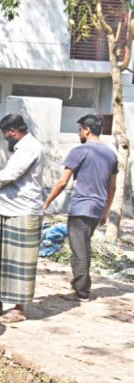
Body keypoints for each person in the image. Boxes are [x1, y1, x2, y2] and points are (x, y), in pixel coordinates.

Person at [44, 114, 118, 300]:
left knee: (79, 251)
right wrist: (106, 211)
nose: (79, 133)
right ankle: (80, 284)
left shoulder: (79, 151)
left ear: (86, 129)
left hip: (82, 207)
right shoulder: (110, 154)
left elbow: (62, 182)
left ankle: (82, 291)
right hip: (97, 208)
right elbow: (113, 186)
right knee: (83, 247)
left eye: (80, 130)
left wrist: (46, 202)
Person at [0, 113, 44, 323]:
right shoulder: (21, 148)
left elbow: (12, 173)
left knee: (21, 262)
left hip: (24, 210)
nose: (5, 138)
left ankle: (19, 308)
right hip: (8, 208)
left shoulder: (30, 147)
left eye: (5, 134)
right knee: (3, 259)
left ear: (12, 131)